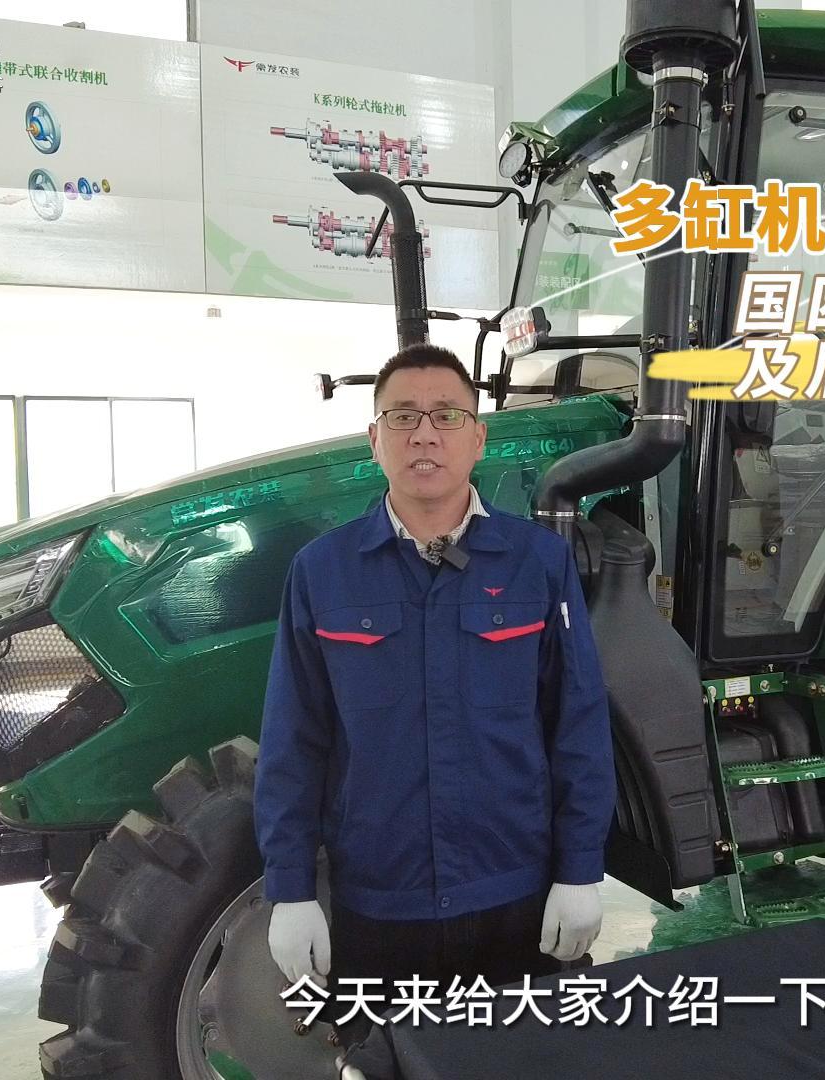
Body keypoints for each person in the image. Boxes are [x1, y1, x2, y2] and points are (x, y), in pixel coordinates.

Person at [254, 343, 614, 1061]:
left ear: (478, 437)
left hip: (514, 895)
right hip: (380, 906)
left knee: (529, 1066)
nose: (425, 434)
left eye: (447, 415)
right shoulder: (322, 572)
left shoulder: (538, 562)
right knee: (389, 1064)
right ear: (374, 439)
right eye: (403, 416)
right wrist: (289, 889)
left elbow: (576, 724)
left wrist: (580, 870)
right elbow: (295, 737)